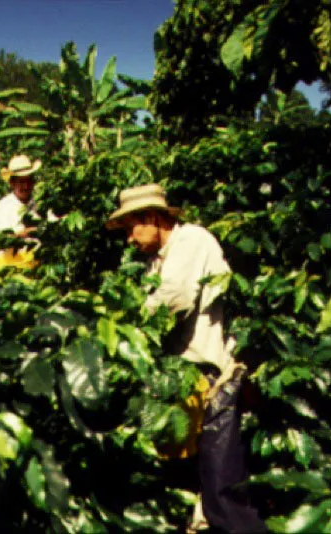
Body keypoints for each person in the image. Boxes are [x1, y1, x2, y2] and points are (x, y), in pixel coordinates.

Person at [106, 184, 266, 533]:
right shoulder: (155, 261)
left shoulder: (190, 240)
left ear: (151, 218)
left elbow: (174, 299)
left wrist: (125, 327)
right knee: (190, 478)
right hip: (184, 376)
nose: (130, 239)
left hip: (212, 374)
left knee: (222, 486)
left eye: (132, 227)